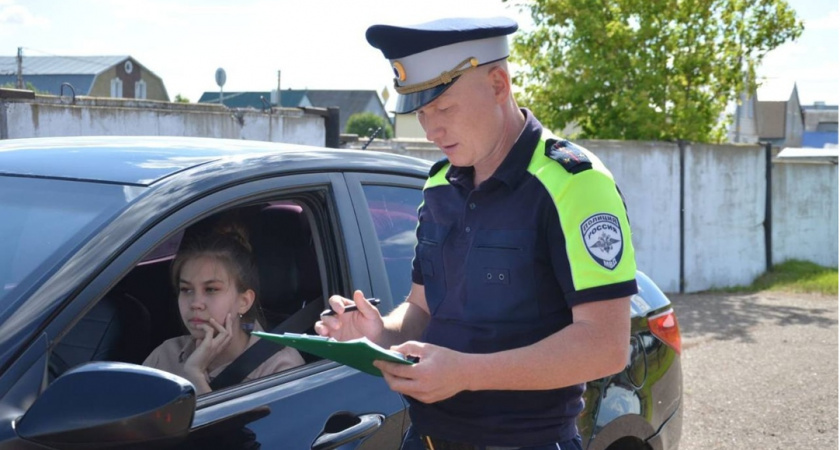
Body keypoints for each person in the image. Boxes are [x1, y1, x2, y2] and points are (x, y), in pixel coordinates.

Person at [316, 16, 637, 450]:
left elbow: (605, 345)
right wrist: (378, 332)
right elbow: (423, 310)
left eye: (444, 107)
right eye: (422, 112)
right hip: (426, 437)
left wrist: (466, 372)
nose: (432, 130)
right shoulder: (437, 186)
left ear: (498, 84)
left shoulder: (574, 183)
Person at [144, 218, 304, 395]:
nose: (196, 303)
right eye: (186, 290)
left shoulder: (280, 366)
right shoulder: (165, 355)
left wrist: (195, 375)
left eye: (211, 289)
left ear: (244, 302)